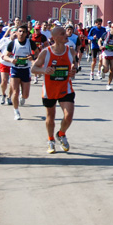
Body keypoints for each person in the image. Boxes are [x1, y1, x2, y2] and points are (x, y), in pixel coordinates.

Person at [31, 26, 77, 154]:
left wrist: (74, 70)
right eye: (63, 34)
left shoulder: (70, 51)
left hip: (65, 88)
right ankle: (50, 140)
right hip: (49, 90)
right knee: (50, 117)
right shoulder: (46, 52)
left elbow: (74, 66)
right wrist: (43, 70)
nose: (66, 35)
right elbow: (33, 69)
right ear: (56, 38)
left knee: (68, 116)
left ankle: (61, 134)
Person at [3, 25, 40, 120]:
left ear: (26, 33)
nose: (21, 33)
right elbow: (5, 56)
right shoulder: (12, 43)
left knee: (26, 94)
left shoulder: (30, 43)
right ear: (16, 32)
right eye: (20, 31)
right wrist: (11, 60)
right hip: (15, 70)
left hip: (26, 69)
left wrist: (32, 57)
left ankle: (22, 97)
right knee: (15, 91)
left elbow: (37, 53)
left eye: (24, 32)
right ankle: (16, 111)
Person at [0, 29, 17, 106]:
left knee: (12, 83)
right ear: (10, 33)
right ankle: (3, 94)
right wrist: (1, 55)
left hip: (13, 64)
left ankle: (9, 97)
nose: (15, 34)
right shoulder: (4, 40)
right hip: (4, 63)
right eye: (13, 32)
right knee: (4, 81)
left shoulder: (19, 42)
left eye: (16, 32)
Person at [98, 22, 113, 90]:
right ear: (110, 28)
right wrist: (100, 46)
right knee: (106, 69)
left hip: (112, 53)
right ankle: (103, 70)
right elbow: (99, 40)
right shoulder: (106, 34)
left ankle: (108, 84)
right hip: (105, 52)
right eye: (112, 28)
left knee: (112, 69)